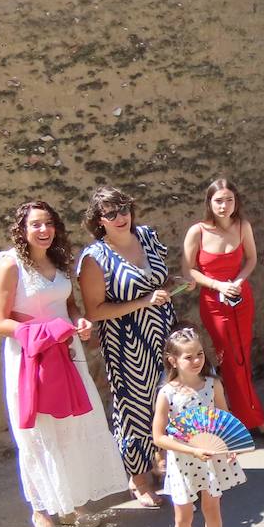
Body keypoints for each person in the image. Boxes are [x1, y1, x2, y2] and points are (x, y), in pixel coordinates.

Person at [0, 201, 124, 527]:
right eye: (35, 224)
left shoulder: (60, 259)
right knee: (36, 435)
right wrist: (46, 330)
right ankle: (42, 515)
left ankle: (74, 503)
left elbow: (68, 305)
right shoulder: (10, 266)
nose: (43, 230)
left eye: (48, 223)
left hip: (66, 353)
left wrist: (78, 320)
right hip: (30, 358)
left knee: (71, 428)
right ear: (21, 229)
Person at [76, 186, 175, 508]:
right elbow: (95, 311)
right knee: (134, 408)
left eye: (123, 210)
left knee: (167, 398)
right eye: (110, 214)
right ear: (98, 221)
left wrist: (171, 288)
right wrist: (143, 302)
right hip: (126, 341)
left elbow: (162, 278)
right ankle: (139, 478)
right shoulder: (95, 258)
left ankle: (162, 458)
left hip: (163, 330)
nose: (120, 218)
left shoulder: (147, 236)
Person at [151, 328, 245, 527]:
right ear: (173, 360)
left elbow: (224, 419)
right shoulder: (167, 394)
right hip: (183, 462)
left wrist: (229, 444)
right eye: (188, 357)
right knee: (182, 517)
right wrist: (191, 450)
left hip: (210, 460)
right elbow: (159, 437)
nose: (196, 361)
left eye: (200, 354)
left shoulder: (212, 384)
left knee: (211, 509)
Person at [182, 179, 264, 438]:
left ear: (236, 202)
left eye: (229, 200)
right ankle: (248, 418)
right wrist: (218, 285)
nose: (224, 206)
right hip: (213, 303)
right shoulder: (197, 232)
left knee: (243, 356)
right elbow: (188, 271)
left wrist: (239, 282)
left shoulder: (243, 226)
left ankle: (250, 414)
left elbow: (252, 259)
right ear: (209, 203)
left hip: (241, 298)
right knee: (230, 358)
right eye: (218, 200)